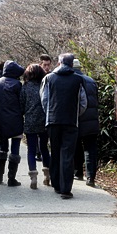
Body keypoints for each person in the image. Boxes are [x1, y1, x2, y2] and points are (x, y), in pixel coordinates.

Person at [40, 53, 87, 199]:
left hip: (53, 121)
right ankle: (66, 189)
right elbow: (83, 103)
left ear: (59, 63)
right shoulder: (78, 80)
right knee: (67, 155)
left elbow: (44, 100)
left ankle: (56, 184)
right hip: (71, 122)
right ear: (72, 64)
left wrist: (50, 113)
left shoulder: (49, 78)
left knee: (55, 152)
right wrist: (75, 114)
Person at [0, 60, 25, 186]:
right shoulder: (17, 84)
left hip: (0, 119)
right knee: (15, 148)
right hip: (15, 120)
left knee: (2, 147)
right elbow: (22, 103)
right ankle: (11, 179)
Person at [20, 63, 51, 189]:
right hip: (44, 121)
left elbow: (21, 106)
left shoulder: (25, 87)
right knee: (44, 148)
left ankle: (33, 177)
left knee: (31, 150)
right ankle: (47, 175)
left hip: (30, 121)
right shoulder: (45, 86)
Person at [72, 58, 100, 187]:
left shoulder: (71, 80)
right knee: (90, 148)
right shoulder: (91, 80)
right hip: (92, 120)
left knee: (76, 146)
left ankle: (77, 172)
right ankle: (90, 177)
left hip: (77, 119)